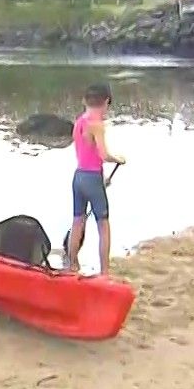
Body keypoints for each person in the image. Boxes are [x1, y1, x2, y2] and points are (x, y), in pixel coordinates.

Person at [67, 83, 126, 274]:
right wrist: (118, 159)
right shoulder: (97, 124)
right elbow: (103, 154)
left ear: (84, 101)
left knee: (77, 221)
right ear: (106, 101)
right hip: (92, 178)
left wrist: (102, 178)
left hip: (79, 176)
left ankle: (73, 265)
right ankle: (105, 272)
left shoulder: (79, 121)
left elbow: (86, 153)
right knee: (103, 225)